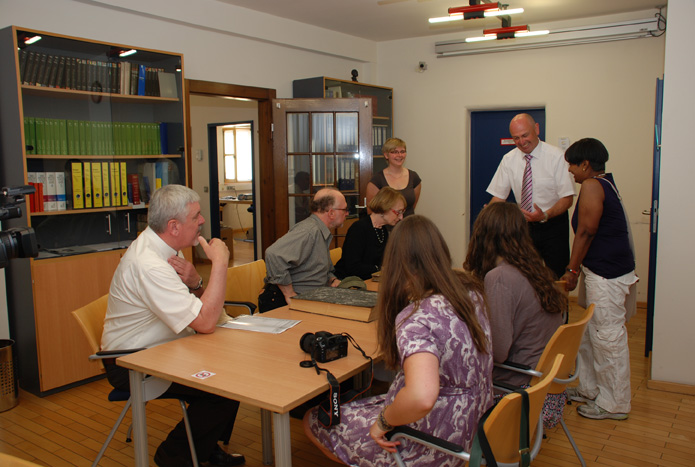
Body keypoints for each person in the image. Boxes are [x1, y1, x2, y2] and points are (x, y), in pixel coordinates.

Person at [304, 215, 493, 466]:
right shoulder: (470, 292)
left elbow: (422, 396)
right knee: (358, 406)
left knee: (317, 418)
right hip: (477, 425)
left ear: (395, 263)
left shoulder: (417, 318)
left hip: (433, 439)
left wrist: (381, 424)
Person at [101, 185, 245, 467]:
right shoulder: (150, 264)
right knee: (225, 389)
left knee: (232, 372)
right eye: (197, 216)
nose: (203, 221)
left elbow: (203, 313)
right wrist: (219, 264)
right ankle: (175, 457)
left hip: (164, 347)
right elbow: (205, 322)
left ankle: (201, 448)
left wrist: (196, 283)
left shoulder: (161, 247)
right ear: (173, 226)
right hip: (132, 361)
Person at [464, 202, 567, 429]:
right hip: (549, 390)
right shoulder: (535, 268)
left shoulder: (499, 278)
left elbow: (499, 353)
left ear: (484, 235)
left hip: (519, 395)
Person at [560, 138, 637, 421]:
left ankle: (614, 403)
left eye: (572, 164)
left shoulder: (593, 185)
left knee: (607, 338)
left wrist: (572, 269)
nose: (570, 170)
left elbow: (586, 231)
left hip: (607, 274)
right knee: (592, 336)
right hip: (605, 272)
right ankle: (591, 389)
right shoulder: (606, 183)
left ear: (585, 164)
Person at [486, 113, 575, 278]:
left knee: (556, 277)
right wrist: (487, 217)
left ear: (536, 129)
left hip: (553, 225)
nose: (521, 142)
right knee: (525, 276)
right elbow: (498, 197)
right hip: (524, 228)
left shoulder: (557, 157)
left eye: (525, 135)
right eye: (516, 138)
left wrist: (545, 215)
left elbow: (567, 198)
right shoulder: (508, 160)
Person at [260, 187, 349, 311]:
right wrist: (289, 293)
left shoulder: (320, 231)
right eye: (344, 209)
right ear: (331, 213)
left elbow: (315, 267)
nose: (347, 213)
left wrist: (331, 279)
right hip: (285, 302)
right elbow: (273, 254)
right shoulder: (309, 231)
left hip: (311, 299)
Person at [334, 187, 406, 280]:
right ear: (384, 207)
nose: (401, 217)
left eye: (402, 212)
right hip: (349, 281)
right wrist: (379, 269)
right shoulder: (359, 228)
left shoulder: (383, 230)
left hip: (368, 280)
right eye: (398, 212)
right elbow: (352, 267)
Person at [366, 137, 421, 217]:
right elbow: (371, 211)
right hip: (385, 228)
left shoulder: (414, 177)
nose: (399, 155)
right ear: (386, 155)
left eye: (402, 152)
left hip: (407, 226)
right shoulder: (377, 180)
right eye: (395, 152)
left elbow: (412, 206)